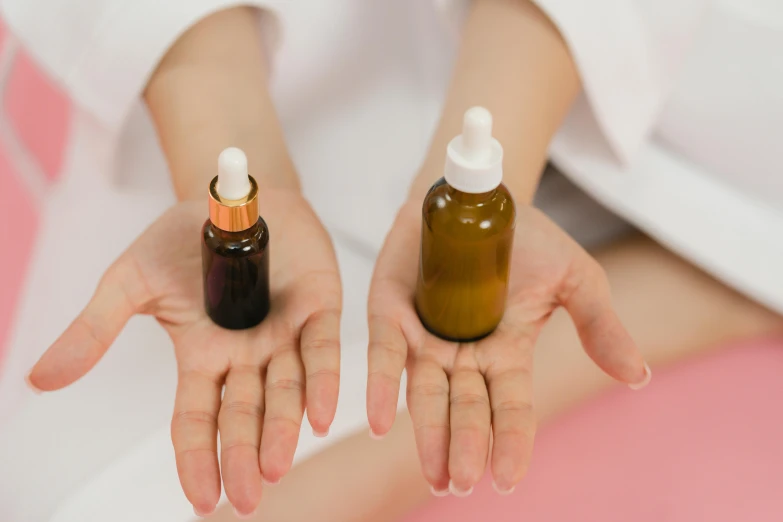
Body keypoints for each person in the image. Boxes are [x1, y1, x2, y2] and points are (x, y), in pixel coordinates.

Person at [0, 0, 781, 521]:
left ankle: (713, 270)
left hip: (683, 77)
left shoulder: (468, 202)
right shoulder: (231, 221)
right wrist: (233, 150)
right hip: (272, 71)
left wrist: (495, 160)